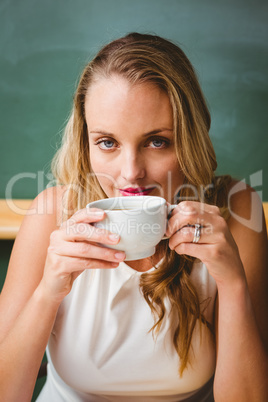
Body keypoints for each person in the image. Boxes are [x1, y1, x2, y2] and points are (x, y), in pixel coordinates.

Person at [0, 32, 267, 402]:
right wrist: (49, 291)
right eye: (107, 142)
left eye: (157, 141)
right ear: (85, 142)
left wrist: (233, 285)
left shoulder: (235, 210)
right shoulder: (52, 216)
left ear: (189, 138)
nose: (131, 173)